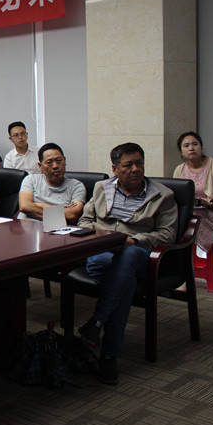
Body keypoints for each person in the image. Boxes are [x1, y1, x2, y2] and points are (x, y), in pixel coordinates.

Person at [77, 142, 178, 385]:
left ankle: (100, 328)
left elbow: (168, 234)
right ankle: (105, 345)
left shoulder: (162, 195)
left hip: (140, 253)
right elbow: (84, 221)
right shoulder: (101, 188)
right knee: (124, 281)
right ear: (114, 169)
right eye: (128, 165)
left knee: (129, 255)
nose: (135, 169)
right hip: (103, 253)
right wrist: (102, 237)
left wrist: (135, 240)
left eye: (139, 163)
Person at [173, 131, 213, 251]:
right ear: (181, 151)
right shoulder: (179, 170)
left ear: (201, 147)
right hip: (190, 211)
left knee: (192, 218)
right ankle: (182, 253)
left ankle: (190, 249)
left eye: (195, 144)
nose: (191, 148)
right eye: (186, 146)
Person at [18, 142, 85, 223]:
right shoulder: (31, 179)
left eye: (59, 160)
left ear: (64, 160)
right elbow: (24, 206)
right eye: (49, 162)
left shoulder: (76, 186)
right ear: (40, 166)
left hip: (55, 229)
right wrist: (61, 212)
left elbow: (72, 215)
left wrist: (40, 205)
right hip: (25, 227)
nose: (55, 166)